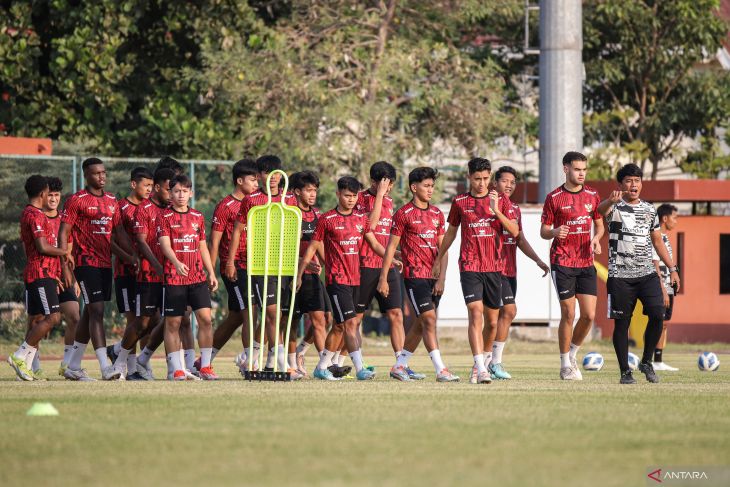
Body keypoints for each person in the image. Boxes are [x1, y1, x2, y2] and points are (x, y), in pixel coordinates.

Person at [297, 176, 393, 381]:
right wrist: (299, 274)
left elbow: (374, 243)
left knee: (340, 326)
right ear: (338, 194)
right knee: (350, 323)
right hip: (337, 280)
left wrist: (390, 257)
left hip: (356, 279)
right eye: (347, 195)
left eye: (354, 196)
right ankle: (360, 369)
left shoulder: (361, 218)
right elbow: (312, 247)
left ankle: (322, 367)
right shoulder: (327, 219)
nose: (351, 199)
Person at [433, 158, 518, 385]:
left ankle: (482, 362)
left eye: (486, 178)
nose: (482, 183)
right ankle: (481, 368)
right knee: (475, 312)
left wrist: (496, 211)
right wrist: (438, 258)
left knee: (492, 323)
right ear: (469, 177)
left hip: (494, 268)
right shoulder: (460, 201)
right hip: (470, 266)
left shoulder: (501, 200)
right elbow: (450, 233)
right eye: (477, 178)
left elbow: (515, 230)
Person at [597, 164, 680, 384]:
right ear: (621, 184)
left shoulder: (650, 209)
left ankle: (646, 362)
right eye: (629, 181)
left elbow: (657, 240)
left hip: (647, 273)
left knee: (657, 313)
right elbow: (598, 211)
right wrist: (610, 201)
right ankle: (625, 371)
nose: (634, 185)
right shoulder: (614, 207)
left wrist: (672, 268)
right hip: (620, 276)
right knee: (622, 323)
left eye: (637, 181)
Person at [377, 167, 459, 382]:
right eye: (426, 185)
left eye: (432, 186)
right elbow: (390, 248)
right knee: (429, 320)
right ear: (414, 188)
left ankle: (400, 365)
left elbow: (444, 249)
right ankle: (441, 369)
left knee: (421, 324)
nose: (430, 190)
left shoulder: (437, 214)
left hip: (434, 279)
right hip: (414, 277)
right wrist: (383, 277)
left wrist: (441, 278)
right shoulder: (403, 214)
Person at [59, 158, 134, 381]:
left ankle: (72, 365)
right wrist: (65, 264)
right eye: (96, 173)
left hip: (104, 262)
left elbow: (119, 232)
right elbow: (63, 232)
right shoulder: (76, 200)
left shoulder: (112, 200)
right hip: (84, 262)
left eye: (103, 172)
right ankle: (104, 367)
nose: (101, 176)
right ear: (86, 175)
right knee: (97, 311)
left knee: (90, 311)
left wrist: (132, 256)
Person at [226, 155, 298, 375]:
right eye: (267, 173)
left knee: (277, 315)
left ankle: (258, 359)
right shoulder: (252, 200)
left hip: (283, 264)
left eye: (276, 172)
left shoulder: (290, 200)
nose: (272, 178)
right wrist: (229, 261)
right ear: (259, 176)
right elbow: (238, 230)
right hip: (259, 265)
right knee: (271, 312)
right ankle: (280, 360)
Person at [355, 161, 426, 381]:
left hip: (387, 265)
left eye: (390, 184)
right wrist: (379, 196)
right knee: (355, 319)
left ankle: (400, 364)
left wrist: (397, 255)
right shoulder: (360, 199)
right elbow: (371, 227)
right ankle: (343, 364)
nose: (388, 189)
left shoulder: (389, 201)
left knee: (396, 314)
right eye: (384, 184)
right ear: (373, 182)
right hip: (365, 265)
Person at [540, 151, 604, 380]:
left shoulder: (592, 196)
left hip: (586, 262)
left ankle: (573, 354)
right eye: (577, 169)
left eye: (584, 169)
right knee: (568, 313)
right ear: (565, 168)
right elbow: (543, 232)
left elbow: (599, 225)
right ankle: (564, 363)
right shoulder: (554, 197)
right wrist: (555, 232)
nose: (581, 174)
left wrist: (596, 239)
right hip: (562, 261)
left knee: (588, 315)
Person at [484, 166, 550, 380]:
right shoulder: (489, 203)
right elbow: (509, 229)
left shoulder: (514, 208)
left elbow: (518, 238)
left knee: (503, 315)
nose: (509, 185)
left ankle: (488, 363)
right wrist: (496, 210)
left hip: (510, 270)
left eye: (513, 182)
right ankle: (490, 363)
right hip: (494, 268)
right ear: (495, 182)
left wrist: (538, 260)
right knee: (507, 312)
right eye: (505, 181)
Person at [7, 175, 68, 381]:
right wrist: (64, 252)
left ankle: (26, 366)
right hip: (40, 273)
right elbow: (42, 247)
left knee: (37, 320)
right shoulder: (35, 215)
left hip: (44, 273)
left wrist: (55, 274)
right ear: (42, 193)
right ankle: (19, 356)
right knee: (53, 317)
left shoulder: (30, 212)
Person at [158, 174, 219, 380]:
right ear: (170, 194)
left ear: (191, 193)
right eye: (176, 191)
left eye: (185, 191)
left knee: (206, 319)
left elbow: (202, 245)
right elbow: (165, 244)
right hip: (174, 278)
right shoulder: (164, 217)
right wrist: (176, 262)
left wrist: (211, 272)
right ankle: (176, 369)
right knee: (173, 323)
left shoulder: (197, 217)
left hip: (197, 278)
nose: (181, 195)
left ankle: (206, 366)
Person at [203, 159, 259, 373]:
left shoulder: (256, 203)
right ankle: (249, 363)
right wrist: (213, 271)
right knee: (249, 312)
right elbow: (214, 242)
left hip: (254, 265)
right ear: (239, 180)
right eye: (252, 180)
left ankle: (205, 360)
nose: (255, 184)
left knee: (236, 317)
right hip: (235, 267)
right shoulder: (226, 206)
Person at [127, 167, 176, 380]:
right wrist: (157, 265)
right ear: (157, 187)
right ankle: (120, 360)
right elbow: (141, 241)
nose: (172, 194)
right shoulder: (144, 209)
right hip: (148, 275)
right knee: (142, 323)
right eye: (168, 189)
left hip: (170, 276)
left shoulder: (171, 209)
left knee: (175, 317)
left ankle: (173, 367)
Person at [108, 167, 154, 377]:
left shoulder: (150, 207)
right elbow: (111, 240)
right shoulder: (121, 207)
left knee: (149, 319)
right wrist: (130, 258)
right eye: (146, 185)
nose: (149, 189)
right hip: (125, 273)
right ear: (133, 184)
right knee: (132, 320)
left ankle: (118, 351)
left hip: (145, 273)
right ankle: (132, 368)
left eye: (152, 186)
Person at [289, 171, 329, 376]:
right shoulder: (288, 215)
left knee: (325, 319)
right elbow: (281, 248)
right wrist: (299, 264)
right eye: (308, 190)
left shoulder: (318, 216)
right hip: (291, 274)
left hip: (313, 276)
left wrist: (327, 264)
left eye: (315, 190)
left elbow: (319, 245)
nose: (312, 194)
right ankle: (291, 363)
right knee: (292, 320)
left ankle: (306, 354)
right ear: (297, 191)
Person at [44, 177, 80, 379]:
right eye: (50, 195)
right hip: (43, 276)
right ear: (43, 196)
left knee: (75, 316)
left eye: (57, 195)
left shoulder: (65, 220)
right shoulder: (37, 217)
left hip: (64, 276)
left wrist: (74, 280)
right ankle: (32, 363)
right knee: (38, 321)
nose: (53, 199)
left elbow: (69, 254)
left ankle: (66, 365)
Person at [651, 203, 679, 371]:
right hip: (659, 284)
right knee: (658, 321)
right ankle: (651, 359)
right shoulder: (656, 237)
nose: (676, 222)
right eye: (675, 218)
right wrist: (661, 287)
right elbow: (655, 264)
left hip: (668, 284)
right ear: (665, 218)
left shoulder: (665, 237)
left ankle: (658, 360)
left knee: (664, 323)